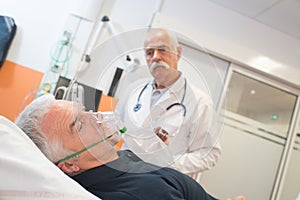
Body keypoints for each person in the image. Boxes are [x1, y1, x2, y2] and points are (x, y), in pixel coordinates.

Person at [15, 94, 244, 200]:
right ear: (69, 164)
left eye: (85, 109)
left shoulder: (119, 161)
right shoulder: (135, 194)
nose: (95, 117)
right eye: (80, 124)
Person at [115, 28, 221, 174]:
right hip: (124, 171)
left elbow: (209, 154)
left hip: (160, 179)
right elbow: (115, 128)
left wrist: (168, 163)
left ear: (178, 53)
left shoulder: (200, 102)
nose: (156, 57)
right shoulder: (134, 91)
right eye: (149, 52)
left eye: (162, 50)